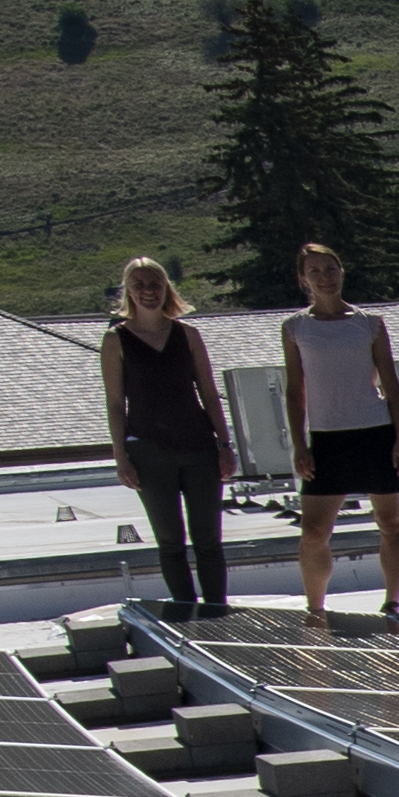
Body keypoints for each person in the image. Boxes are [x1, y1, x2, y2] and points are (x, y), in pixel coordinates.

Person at [279, 241, 399, 615]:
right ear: (303, 279)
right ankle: (316, 608)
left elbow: (391, 384)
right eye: (315, 272)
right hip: (326, 438)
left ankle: (392, 601)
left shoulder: (369, 324)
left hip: (375, 431)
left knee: (390, 523)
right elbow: (295, 390)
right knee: (313, 533)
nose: (324, 278)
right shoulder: (295, 328)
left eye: (330, 269)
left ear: (341, 272)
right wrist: (299, 444)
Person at [94, 257, 234, 615]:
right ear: (128, 291)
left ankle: (218, 611)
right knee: (170, 541)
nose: (148, 291)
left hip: (199, 447)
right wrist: (120, 455)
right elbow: (114, 403)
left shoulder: (187, 334)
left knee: (208, 541)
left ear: (166, 288)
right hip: (149, 452)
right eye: (139, 284)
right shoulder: (116, 340)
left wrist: (225, 443)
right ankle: (186, 612)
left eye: (154, 283)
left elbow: (208, 390)